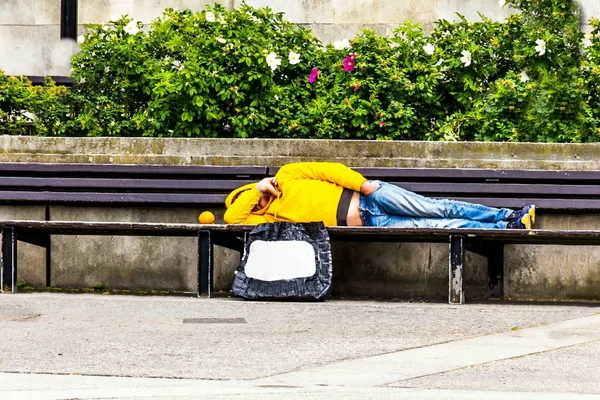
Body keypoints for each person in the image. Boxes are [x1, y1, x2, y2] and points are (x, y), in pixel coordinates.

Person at [224, 162, 535, 229]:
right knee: (439, 227)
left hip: (369, 197)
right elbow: (231, 220)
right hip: (372, 223)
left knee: (437, 209)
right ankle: (508, 227)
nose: (263, 201)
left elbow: (330, 170)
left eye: (260, 195)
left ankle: (506, 214)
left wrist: (363, 185)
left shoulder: (288, 174)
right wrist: (255, 193)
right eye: (256, 200)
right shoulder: (260, 215)